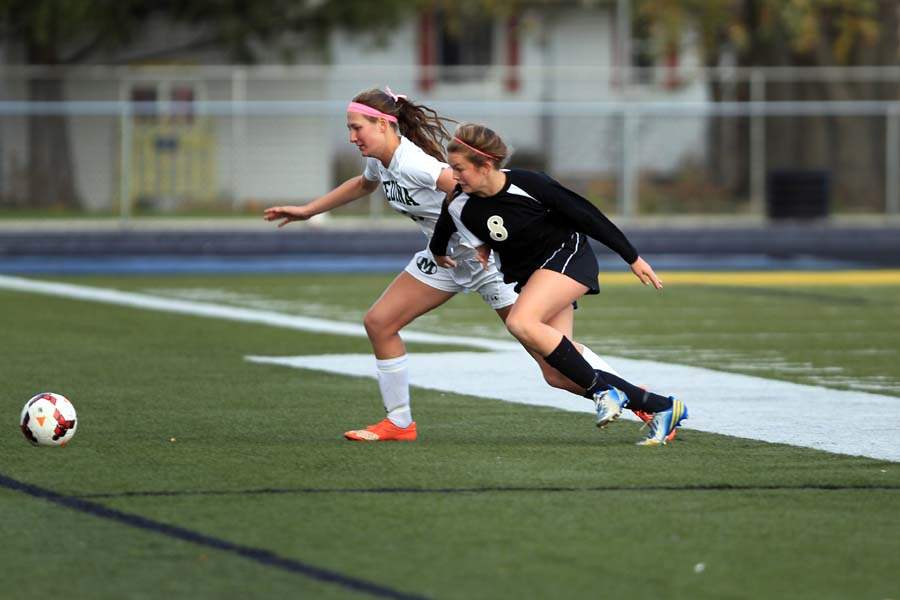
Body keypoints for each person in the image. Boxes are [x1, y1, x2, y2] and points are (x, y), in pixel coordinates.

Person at [264, 88, 623, 442]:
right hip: (444, 259)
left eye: (357, 127)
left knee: (555, 369)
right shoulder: (380, 160)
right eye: (350, 128)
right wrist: (307, 210)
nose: (352, 136)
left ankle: (641, 402)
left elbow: (468, 189)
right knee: (380, 322)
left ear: (383, 125)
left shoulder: (414, 163)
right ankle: (399, 423)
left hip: (487, 264)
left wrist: (484, 239)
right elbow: (362, 184)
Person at [430, 123, 688, 446]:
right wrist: (441, 253)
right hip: (533, 277)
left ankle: (604, 391)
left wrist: (631, 257)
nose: (453, 176)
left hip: (568, 257)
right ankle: (662, 406)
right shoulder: (459, 202)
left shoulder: (529, 183)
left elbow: (587, 216)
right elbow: (443, 232)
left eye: (459, 168)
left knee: (521, 321)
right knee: (557, 375)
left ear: (485, 166)